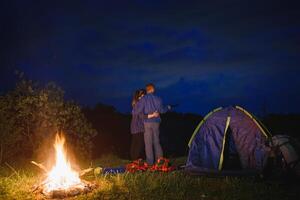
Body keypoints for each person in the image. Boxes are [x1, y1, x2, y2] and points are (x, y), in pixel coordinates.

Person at [132, 83, 170, 165]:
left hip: (146, 123)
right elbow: (162, 110)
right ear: (153, 90)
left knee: (148, 143)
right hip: (156, 123)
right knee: (156, 141)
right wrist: (168, 107)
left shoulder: (143, 99)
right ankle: (160, 161)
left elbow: (135, 111)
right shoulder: (158, 99)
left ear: (147, 90)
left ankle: (150, 163)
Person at [130, 89, 158, 160]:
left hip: (134, 128)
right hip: (138, 128)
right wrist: (153, 115)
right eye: (142, 96)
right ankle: (135, 162)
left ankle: (133, 161)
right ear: (139, 97)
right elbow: (143, 116)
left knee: (135, 144)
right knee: (139, 145)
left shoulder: (135, 104)